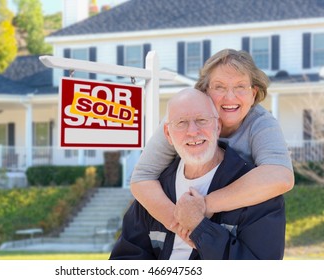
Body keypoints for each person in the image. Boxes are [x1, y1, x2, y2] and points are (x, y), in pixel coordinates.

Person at [130, 49, 294, 236]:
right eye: (219, 87)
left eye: (240, 86)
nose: (230, 97)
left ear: (253, 93)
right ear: (205, 91)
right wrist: (181, 225)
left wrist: (205, 205)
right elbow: (142, 177)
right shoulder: (180, 117)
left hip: (238, 225)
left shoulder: (261, 124)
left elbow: (281, 177)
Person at [109, 89, 285, 260]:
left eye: (202, 120)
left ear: (218, 127)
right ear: (167, 134)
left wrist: (201, 229)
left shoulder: (257, 193)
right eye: (181, 123)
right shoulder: (156, 192)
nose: (192, 131)